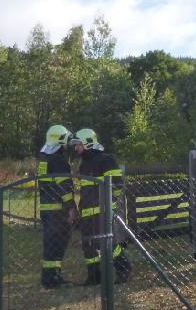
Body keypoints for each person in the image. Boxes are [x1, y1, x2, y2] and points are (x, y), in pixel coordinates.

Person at [73, 128, 132, 285]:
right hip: (87, 213)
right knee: (88, 244)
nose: (76, 148)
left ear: (87, 143)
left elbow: (117, 184)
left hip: (103, 212)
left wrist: (110, 202)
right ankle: (94, 277)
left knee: (106, 243)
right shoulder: (84, 164)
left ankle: (124, 267)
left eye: (78, 144)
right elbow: (85, 190)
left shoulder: (106, 160)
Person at [37, 124, 77, 289]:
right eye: (66, 140)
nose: (68, 144)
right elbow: (64, 188)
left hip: (46, 209)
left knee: (50, 244)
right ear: (60, 140)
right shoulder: (59, 161)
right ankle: (53, 279)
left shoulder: (44, 159)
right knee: (58, 244)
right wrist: (71, 207)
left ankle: (49, 277)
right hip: (58, 210)